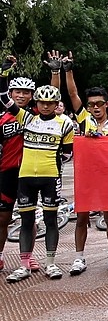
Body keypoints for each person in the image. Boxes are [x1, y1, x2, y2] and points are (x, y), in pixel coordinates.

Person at [62, 52, 108, 274]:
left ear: (107, 105)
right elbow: (72, 93)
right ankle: (79, 258)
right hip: (87, 176)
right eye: (92, 105)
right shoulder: (84, 120)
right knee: (82, 217)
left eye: (100, 104)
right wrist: (69, 70)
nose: (96, 108)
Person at [3, 77, 74, 283]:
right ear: (36, 103)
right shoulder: (26, 118)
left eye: (50, 103)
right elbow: (3, 98)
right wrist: (3, 74)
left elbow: (68, 154)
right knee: (26, 221)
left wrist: (52, 164)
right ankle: (24, 265)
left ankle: (51, 263)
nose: (45, 106)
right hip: (25, 177)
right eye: (42, 102)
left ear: (56, 104)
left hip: (50, 176)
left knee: (51, 220)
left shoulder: (65, 123)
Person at [0, 59, 39, 276]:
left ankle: (28, 256)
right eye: (17, 92)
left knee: (28, 216)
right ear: (11, 93)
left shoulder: (36, 117)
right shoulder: (2, 118)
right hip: (6, 171)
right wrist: (4, 74)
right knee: (2, 217)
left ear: (31, 95)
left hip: (29, 172)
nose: (21, 96)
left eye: (26, 92)